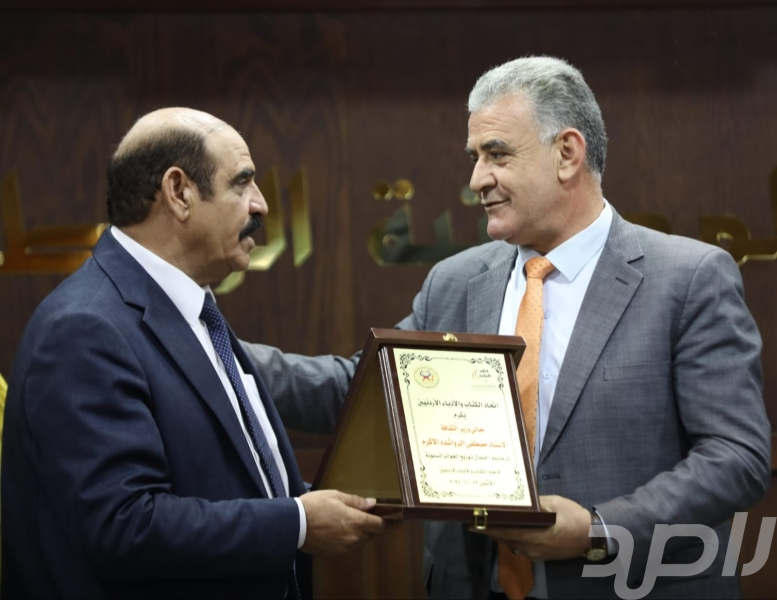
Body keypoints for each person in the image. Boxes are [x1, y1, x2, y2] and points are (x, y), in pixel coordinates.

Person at [242, 56, 771, 599]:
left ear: (567, 154)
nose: (477, 180)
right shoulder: (455, 281)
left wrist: (596, 529)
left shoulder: (688, 278)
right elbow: (362, 391)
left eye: (496, 154)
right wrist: (220, 358)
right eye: (474, 157)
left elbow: (737, 457)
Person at [1, 107, 387, 599]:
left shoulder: (190, 310)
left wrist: (316, 508)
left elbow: (218, 482)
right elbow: (124, 525)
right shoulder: (84, 329)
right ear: (179, 192)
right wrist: (296, 523)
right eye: (242, 183)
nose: (261, 204)